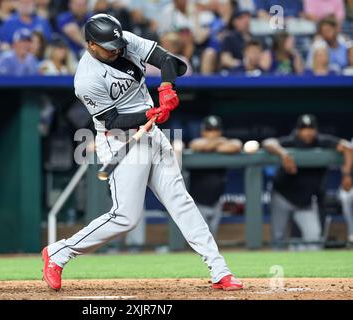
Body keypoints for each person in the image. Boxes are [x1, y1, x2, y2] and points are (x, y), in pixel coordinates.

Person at [42, 14, 243, 292]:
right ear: (90, 45)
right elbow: (112, 120)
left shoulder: (125, 41)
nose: (116, 49)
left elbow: (168, 61)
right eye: (107, 45)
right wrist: (149, 112)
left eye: (116, 42)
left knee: (180, 200)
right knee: (126, 217)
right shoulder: (86, 79)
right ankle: (58, 253)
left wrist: (167, 87)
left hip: (151, 133)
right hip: (119, 141)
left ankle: (220, 270)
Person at [263, 114, 353, 250]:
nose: (307, 131)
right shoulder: (290, 141)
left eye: (310, 128)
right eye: (303, 128)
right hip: (283, 197)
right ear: (298, 130)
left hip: (306, 202)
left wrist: (346, 175)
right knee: (278, 237)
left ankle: (309, 271)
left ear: (316, 130)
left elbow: (348, 148)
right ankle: (278, 269)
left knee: (314, 239)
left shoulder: (322, 141)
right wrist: (284, 154)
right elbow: (268, 143)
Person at [188, 116, 242, 236]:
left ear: (220, 131)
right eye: (209, 130)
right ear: (203, 131)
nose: (212, 134)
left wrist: (213, 145)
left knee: (211, 242)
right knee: (198, 240)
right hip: (197, 203)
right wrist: (219, 141)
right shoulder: (198, 143)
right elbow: (196, 145)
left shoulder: (225, 144)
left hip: (216, 202)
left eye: (215, 130)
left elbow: (237, 145)